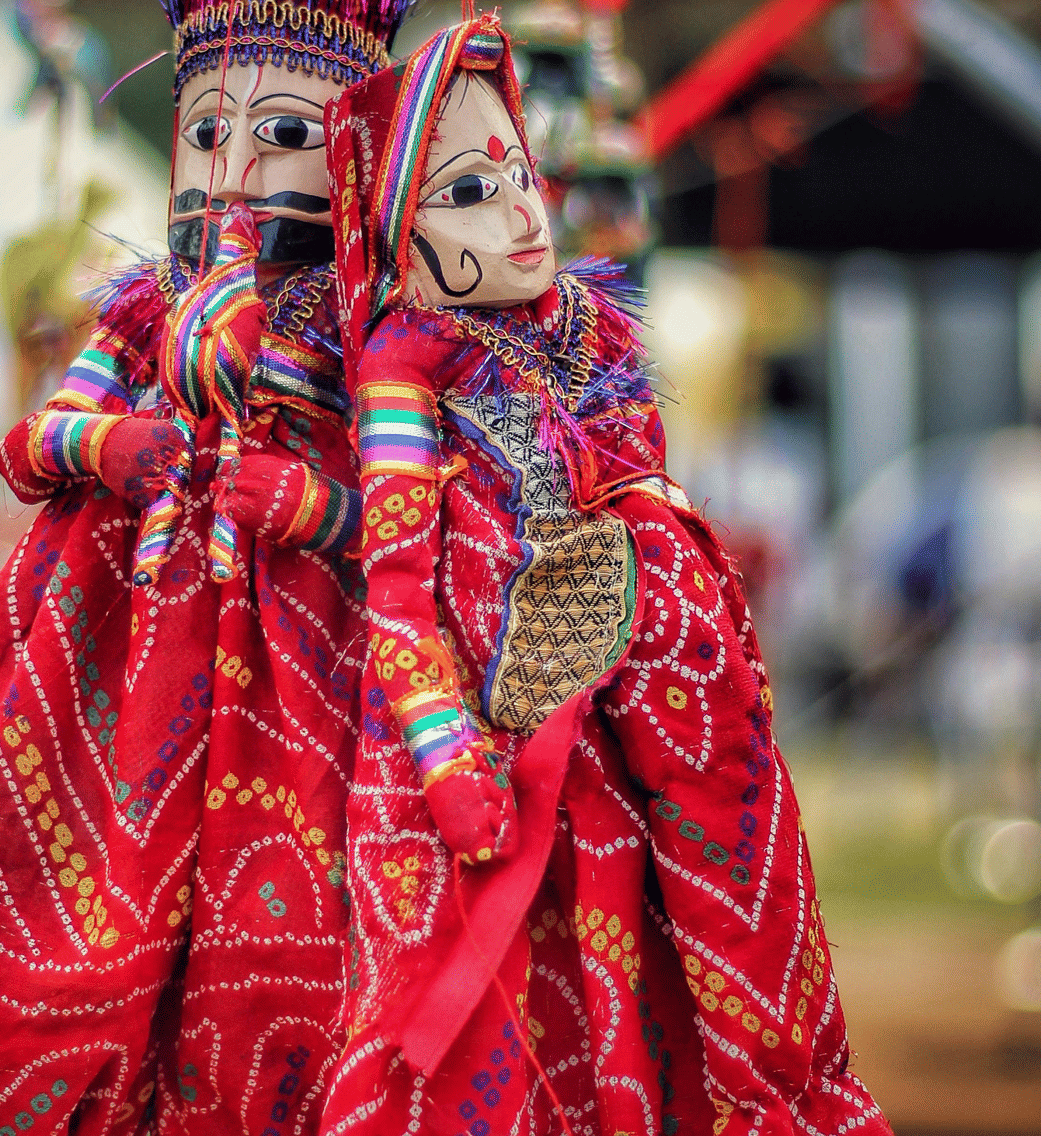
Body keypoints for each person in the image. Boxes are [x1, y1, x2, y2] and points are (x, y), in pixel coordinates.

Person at [319, 14, 892, 1134]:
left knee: (677, 957)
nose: (523, 209)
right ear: (392, 229)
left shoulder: (584, 335)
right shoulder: (401, 372)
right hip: (506, 726)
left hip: (645, 705)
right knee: (520, 1003)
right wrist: (444, 754)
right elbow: (395, 581)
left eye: (515, 172)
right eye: (467, 194)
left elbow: (631, 466)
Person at [0, 3, 410, 1133]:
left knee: (303, 952)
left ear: (356, 154)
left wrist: (319, 505)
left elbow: (417, 517)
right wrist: (115, 444)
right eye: (207, 135)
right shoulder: (148, 311)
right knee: (61, 907)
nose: (235, 171)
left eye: (283, 137)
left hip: (317, 674)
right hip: (119, 660)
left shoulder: (378, 331)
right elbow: (32, 442)